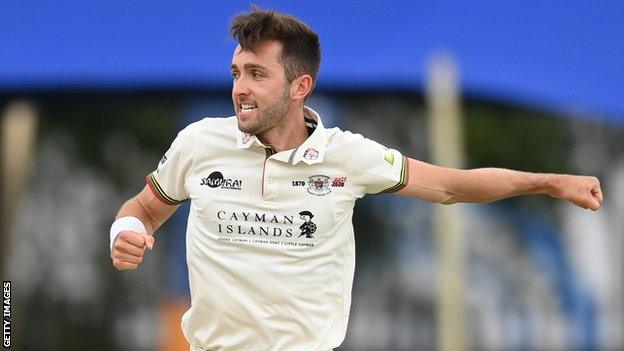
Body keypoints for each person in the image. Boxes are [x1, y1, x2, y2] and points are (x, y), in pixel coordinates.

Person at [109, 7, 604, 351]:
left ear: (300, 85)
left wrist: (551, 183)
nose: (240, 88)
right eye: (236, 72)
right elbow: (144, 209)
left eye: (257, 74)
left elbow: (452, 186)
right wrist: (127, 231)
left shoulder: (349, 156)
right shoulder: (198, 143)